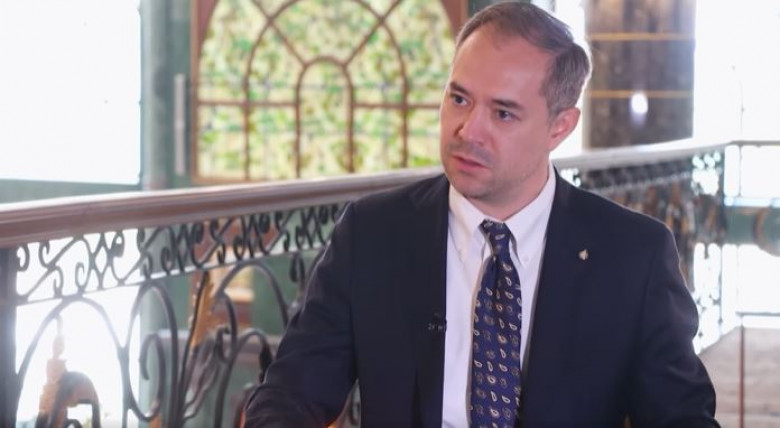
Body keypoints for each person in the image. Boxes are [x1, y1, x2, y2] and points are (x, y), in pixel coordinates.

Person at [243, 2, 719, 427]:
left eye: (503, 113)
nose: (468, 131)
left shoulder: (632, 255)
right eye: (459, 99)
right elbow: (289, 394)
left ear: (560, 126)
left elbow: (682, 417)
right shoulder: (372, 235)